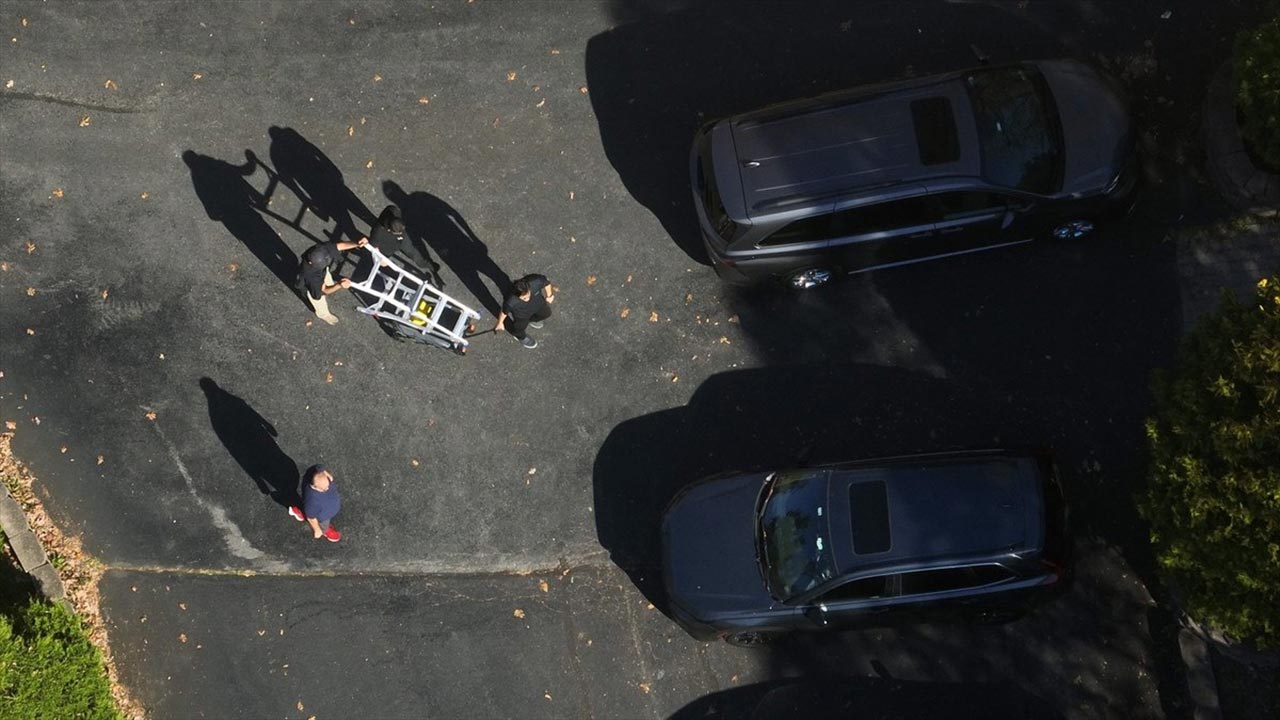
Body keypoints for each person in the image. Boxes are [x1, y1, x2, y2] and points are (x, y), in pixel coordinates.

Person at [296, 238, 366, 324]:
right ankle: (323, 314)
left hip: (321, 273)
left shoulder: (321, 250)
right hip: (310, 287)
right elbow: (324, 290)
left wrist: (357, 243)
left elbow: (340, 246)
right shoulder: (312, 278)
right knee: (319, 301)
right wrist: (339, 285)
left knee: (328, 280)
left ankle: (328, 282)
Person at [495, 274, 555, 349]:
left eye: (528, 295)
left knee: (546, 313)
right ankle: (520, 337)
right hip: (521, 316)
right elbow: (504, 312)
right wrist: (500, 323)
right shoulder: (510, 301)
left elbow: (546, 282)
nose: (527, 299)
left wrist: (549, 295)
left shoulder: (536, 281)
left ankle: (531, 320)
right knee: (518, 329)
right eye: (524, 298)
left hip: (539, 305)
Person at [288, 465, 342, 542]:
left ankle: (298, 511)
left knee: (310, 510)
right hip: (323, 517)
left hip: (321, 509)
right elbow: (311, 518)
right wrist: (317, 530)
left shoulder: (318, 474)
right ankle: (325, 530)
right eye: (323, 489)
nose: (327, 489)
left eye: (328, 485)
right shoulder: (312, 501)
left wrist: (325, 473)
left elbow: (319, 467)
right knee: (322, 523)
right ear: (315, 486)